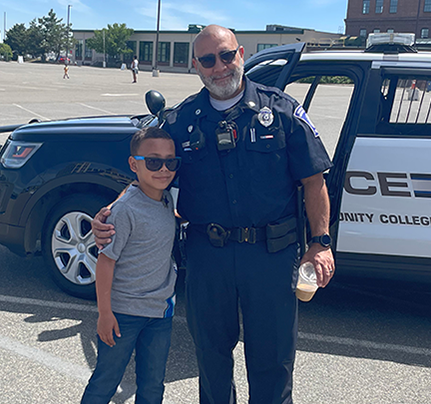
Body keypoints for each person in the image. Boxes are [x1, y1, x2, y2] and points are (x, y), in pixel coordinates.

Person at [93, 24, 335, 404]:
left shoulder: (281, 110)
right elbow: (148, 170)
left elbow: (314, 180)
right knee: (211, 357)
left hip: (272, 256)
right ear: (196, 66)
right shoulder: (180, 122)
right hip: (209, 255)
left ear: (240, 55)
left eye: (226, 56)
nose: (219, 66)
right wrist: (109, 211)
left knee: (272, 360)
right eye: (208, 60)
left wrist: (320, 243)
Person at [81, 127, 180, 404]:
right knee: (106, 381)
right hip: (123, 314)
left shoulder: (167, 198)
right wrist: (104, 313)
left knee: (152, 384)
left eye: (170, 161)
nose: (163, 169)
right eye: (153, 161)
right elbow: (106, 263)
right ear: (133, 164)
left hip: (160, 312)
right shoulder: (124, 211)